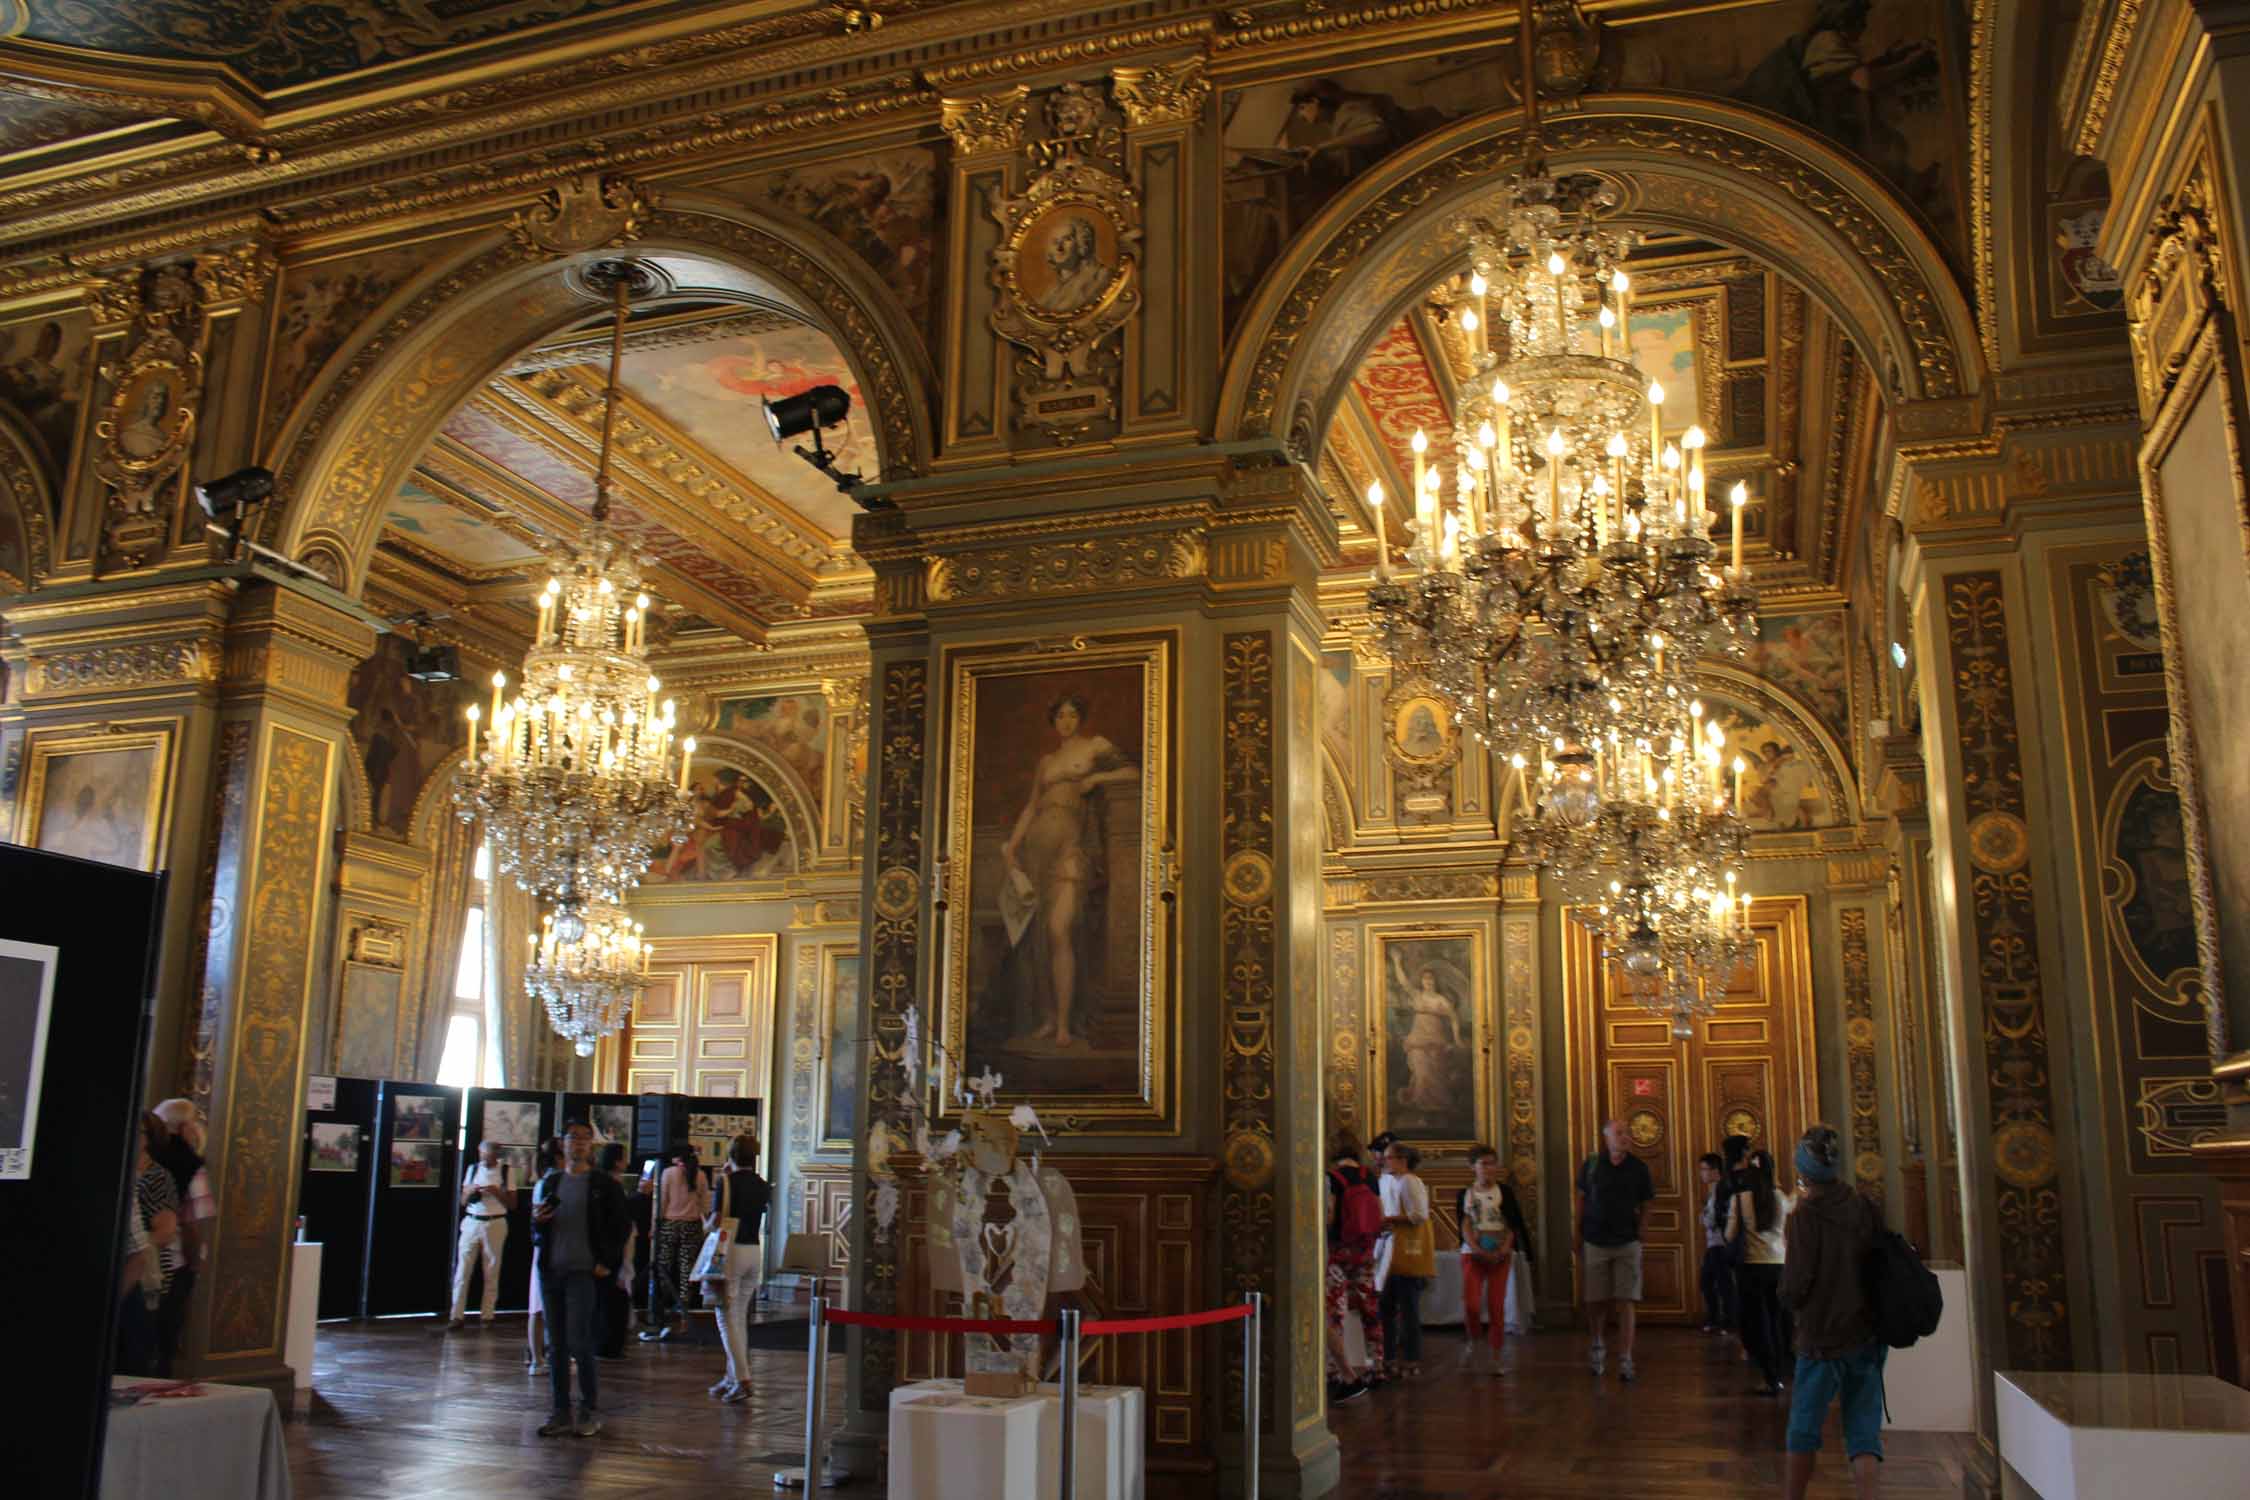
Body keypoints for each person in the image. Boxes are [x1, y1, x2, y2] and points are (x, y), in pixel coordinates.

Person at [997, 694, 1139, 1052]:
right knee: (1040, 938)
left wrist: (1099, 779)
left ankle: (1064, 1025)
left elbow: (1134, 772)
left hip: (1071, 847)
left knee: (1060, 930)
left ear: (1080, 718)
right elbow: (1031, 807)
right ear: (1053, 720)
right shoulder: (1046, 761)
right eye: (1060, 716)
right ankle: (1047, 1019)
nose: (1066, 721)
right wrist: (1011, 846)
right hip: (1037, 848)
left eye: (1073, 714)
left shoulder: (1095, 746)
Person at [1781, 1124, 1886, 1500]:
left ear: (1803, 1168)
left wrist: (1786, 1302)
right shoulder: (1864, 1206)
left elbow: (1795, 1287)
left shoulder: (1804, 1218)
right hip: (1866, 1334)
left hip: (1821, 1338)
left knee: (1804, 1428)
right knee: (1863, 1433)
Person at [532, 1121, 629, 1438]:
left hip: (584, 1273)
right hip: (552, 1271)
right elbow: (536, 1232)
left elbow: (620, 1227)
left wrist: (606, 1263)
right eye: (573, 1138)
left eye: (585, 1139)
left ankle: (589, 1409)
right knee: (556, 1345)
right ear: (563, 1143)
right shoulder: (552, 1183)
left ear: (592, 1146)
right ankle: (560, 1411)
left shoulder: (604, 1184)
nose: (579, 1144)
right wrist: (538, 1223)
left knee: (580, 1341)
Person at [1576, 1118, 1654, 1381]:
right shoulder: (1592, 1165)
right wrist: (1577, 1233)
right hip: (1595, 1239)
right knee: (1595, 1300)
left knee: (1626, 1300)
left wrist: (1642, 1228)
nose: (1625, 1137)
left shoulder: (1638, 1168)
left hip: (1627, 1241)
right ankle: (1597, 1344)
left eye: (1626, 1133)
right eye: (1619, 1133)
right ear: (1606, 1138)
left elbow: (1646, 1202)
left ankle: (1625, 1357)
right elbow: (1582, 1200)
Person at [706, 1131, 772, 1402]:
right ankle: (731, 1376)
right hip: (754, 1252)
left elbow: (715, 1221)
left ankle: (743, 1378)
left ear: (731, 1155)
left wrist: (704, 1224)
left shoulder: (725, 1182)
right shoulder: (762, 1184)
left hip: (729, 1252)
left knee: (725, 1318)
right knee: (739, 1318)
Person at [150, 1099, 214, 1369]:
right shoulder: (189, 1162)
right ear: (187, 1126)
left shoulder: (146, 1155)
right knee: (164, 1336)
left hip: (135, 1253)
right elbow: (192, 1222)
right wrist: (195, 1261)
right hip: (172, 1260)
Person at [1322, 1127, 1383, 1400]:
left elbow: (1330, 1216)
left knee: (1335, 1312)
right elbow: (1379, 1214)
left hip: (1339, 1252)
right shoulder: (1369, 1177)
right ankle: (1378, 1367)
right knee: (1370, 1307)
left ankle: (1337, 1371)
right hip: (1365, 1251)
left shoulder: (1332, 1177)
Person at [1729, 1147, 1793, 1395]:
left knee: (1758, 1324)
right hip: (1779, 1265)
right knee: (1779, 1321)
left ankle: (1769, 1376)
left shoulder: (1740, 1198)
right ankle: (1782, 1371)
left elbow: (1730, 1234)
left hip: (1751, 1267)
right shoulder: (1780, 1198)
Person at [1375, 1140, 1434, 1380]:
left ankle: (1411, 1359)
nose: (1383, 1161)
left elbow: (1420, 1215)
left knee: (1409, 1310)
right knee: (1385, 1307)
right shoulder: (1386, 1179)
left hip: (1407, 1250)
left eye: (1389, 1157)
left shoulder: (1411, 1181)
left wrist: (1390, 1219)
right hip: (1389, 1248)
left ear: (1402, 1160)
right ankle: (1388, 1357)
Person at [131, 1111, 185, 1375]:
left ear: (147, 1139)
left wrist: (133, 1246)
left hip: (145, 1272)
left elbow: (166, 1230)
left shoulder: (158, 1177)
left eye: (138, 1132)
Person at [1455, 1146, 1515, 1375]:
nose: (1489, 1168)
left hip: (1501, 1254)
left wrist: (1504, 1249)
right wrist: (1477, 1249)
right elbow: (1465, 1225)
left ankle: (1497, 1355)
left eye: (1492, 1163)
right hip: (1473, 1254)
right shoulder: (1466, 1194)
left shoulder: (1505, 1193)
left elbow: (1512, 1224)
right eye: (1483, 1163)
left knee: (1496, 1305)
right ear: (1473, 1167)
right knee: (1471, 1304)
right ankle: (1474, 1339)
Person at [642, 1142, 708, 1340]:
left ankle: (659, 1314)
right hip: (692, 1225)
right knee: (686, 1272)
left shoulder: (668, 1173)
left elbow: (661, 1203)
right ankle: (684, 1316)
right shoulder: (701, 1174)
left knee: (664, 1269)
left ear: (676, 1157)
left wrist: (655, 1226)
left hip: (670, 1224)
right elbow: (705, 1205)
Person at [448, 1140, 517, 1329]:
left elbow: (512, 1205)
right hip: (472, 1221)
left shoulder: (506, 1171)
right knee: (463, 1270)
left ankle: (487, 1315)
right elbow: (463, 1201)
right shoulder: (472, 1169)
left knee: (491, 1270)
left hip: (495, 1222)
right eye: (482, 1154)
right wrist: (470, 1192)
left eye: (488, 1155)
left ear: (496, 1155)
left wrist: (496, 1192)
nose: (484, 1159)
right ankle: (457, 1315)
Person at [595, 1143, 637, 1359]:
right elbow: (618, 1222)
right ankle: (609, 1344)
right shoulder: (610, 1186)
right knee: (612, 1298)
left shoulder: (606, 1184)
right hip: (611, 1251)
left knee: (611, 1297)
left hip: (610, 1250)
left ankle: (608, 1343)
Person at [526, 1135, 562, 1374]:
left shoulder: (546, 1182)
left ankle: (541, 1355)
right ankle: (538, 1357)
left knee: (541, 1306)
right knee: (539, 1307)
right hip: (549, 1247)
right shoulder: (549, 1183)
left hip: (550, 1247)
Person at [1697, 1152, 1737, 1335]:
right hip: (1713, 1243)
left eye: (1704, 1169)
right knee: (1708, 1282)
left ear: (1715, 1171)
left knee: (1722, 1284)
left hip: (1720, 1243)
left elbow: (1713, 1219)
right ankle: (1715, 1318)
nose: (1702, 1174)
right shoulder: (1714, 1190)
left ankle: (1727, 1321)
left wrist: (1705, 1218)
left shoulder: (1722, 1190)